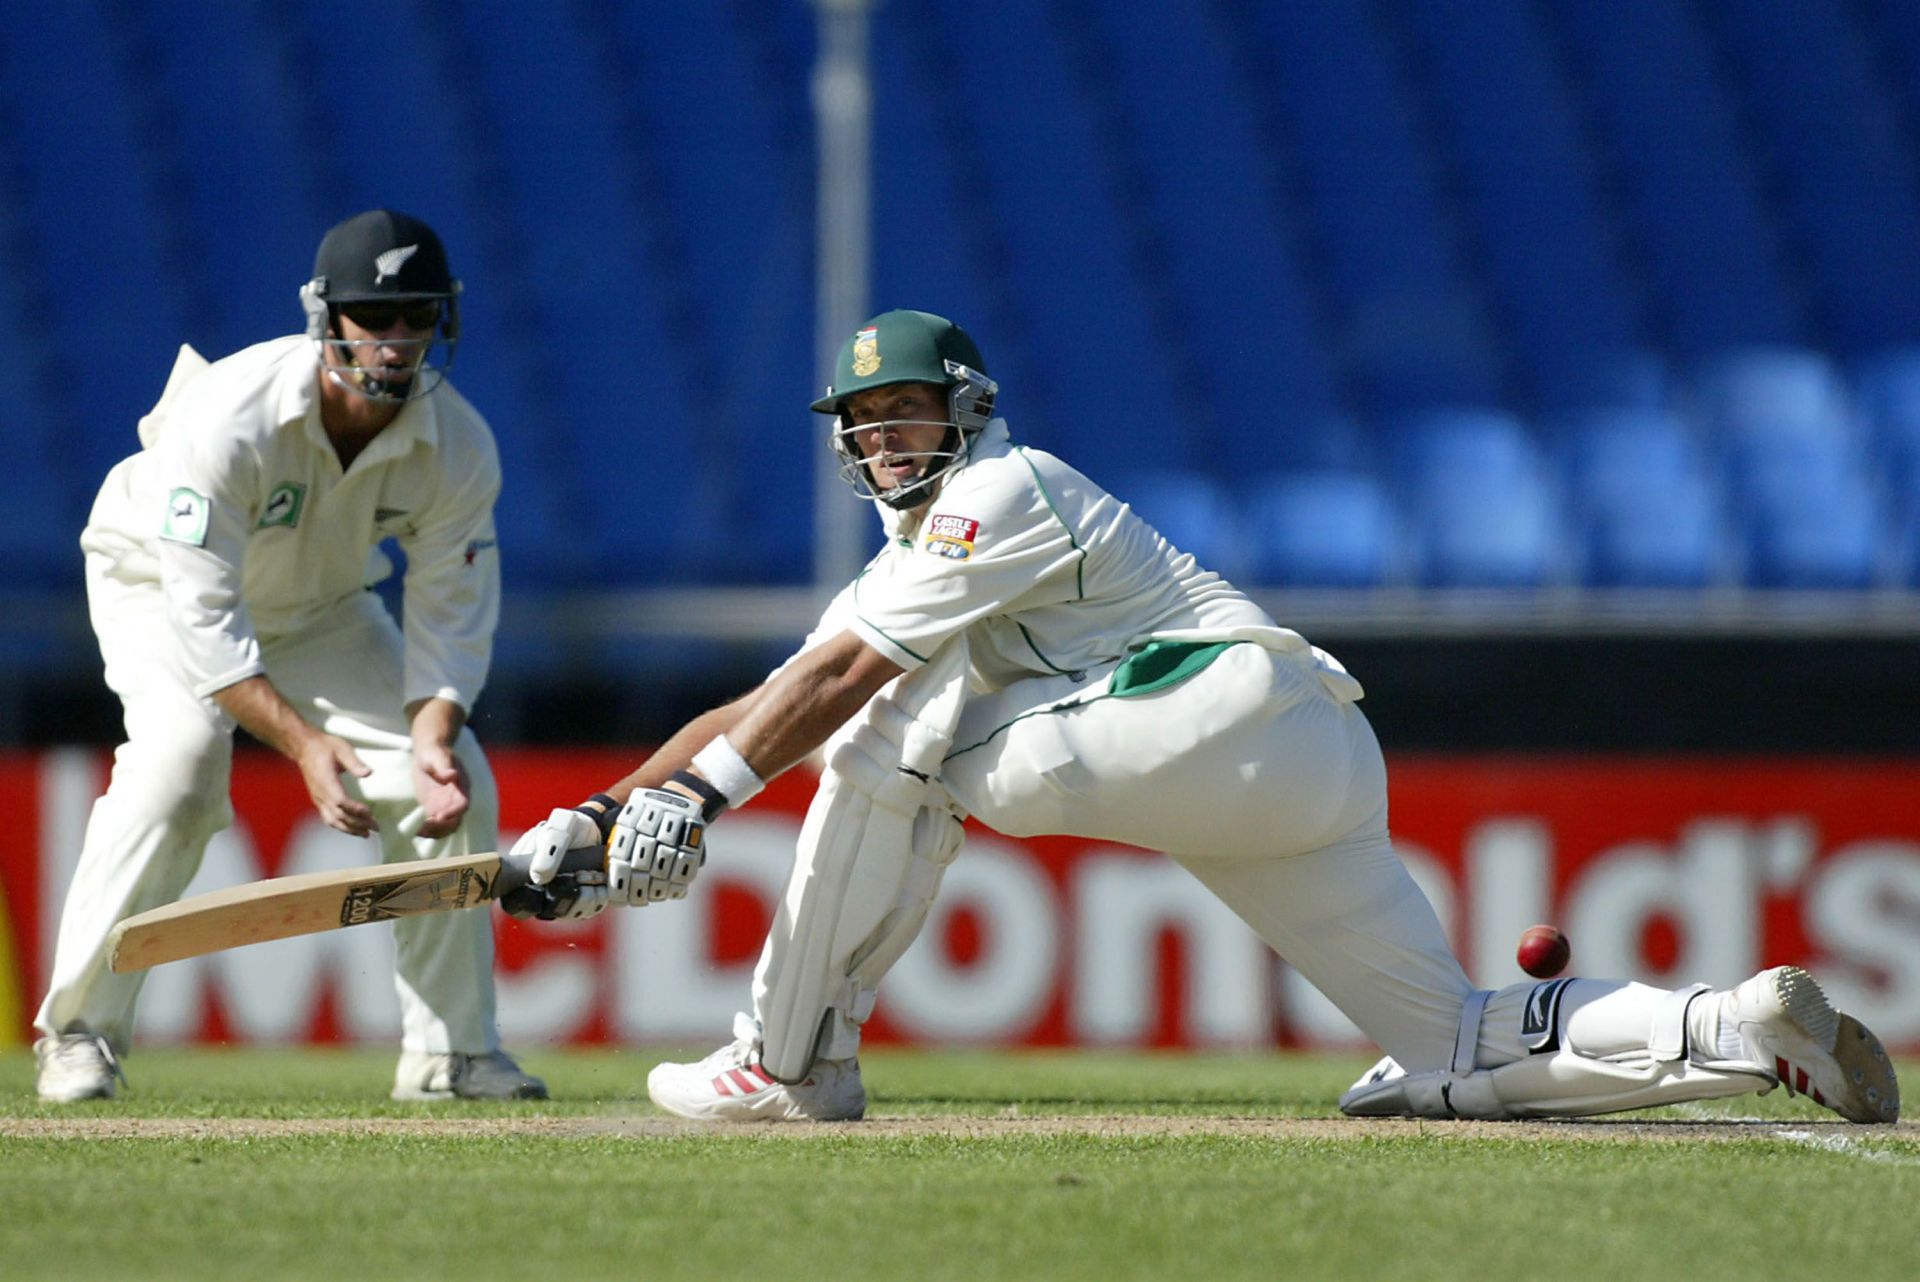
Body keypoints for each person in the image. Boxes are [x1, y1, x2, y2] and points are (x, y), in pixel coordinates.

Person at [514, 308, 1900, 1125]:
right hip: (1306, 752)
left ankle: (788, 1061)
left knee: (888, 732)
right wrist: (594, 811)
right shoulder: (910, 560)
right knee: (1451, 1050)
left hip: (1205, 707)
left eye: (910, 413)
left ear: (970, 412)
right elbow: (764, 697)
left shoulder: (1005, 488)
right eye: (866, 420)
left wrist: (693, 802)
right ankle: (1733, 1024)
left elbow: (825, 692)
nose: (888, 440)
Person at [34, 209, 546, 1103]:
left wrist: (429, 733)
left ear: (442, 321)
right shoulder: (229, 416)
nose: (394, 342)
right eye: (372, 319)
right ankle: (77, 1032)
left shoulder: (459, 447)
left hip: (320, 610)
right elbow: (205, 617)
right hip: (157, 582)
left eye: (415, 318)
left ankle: (451, 1055)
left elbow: (449, 615)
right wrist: (307, 748)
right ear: (327, 317)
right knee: (180, 767)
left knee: (454, 778)